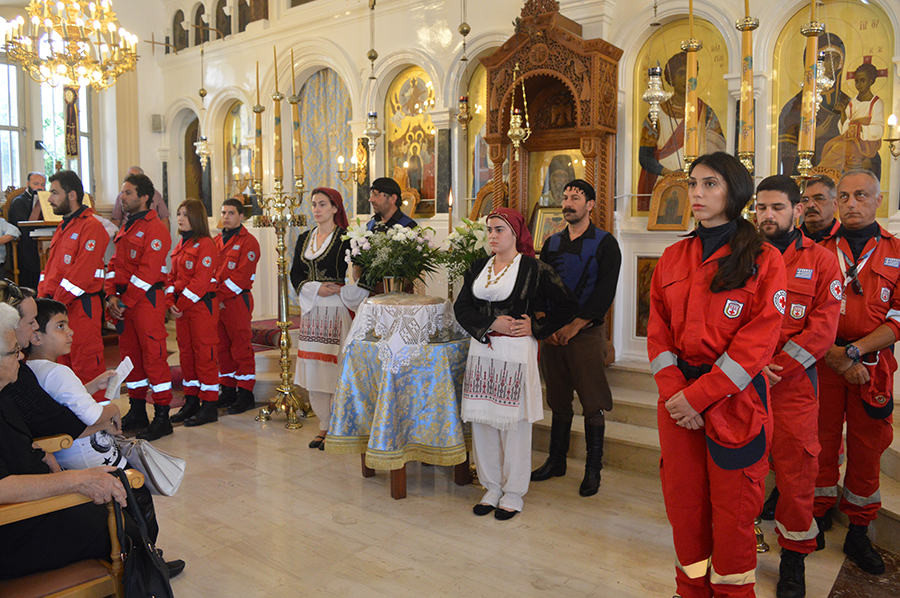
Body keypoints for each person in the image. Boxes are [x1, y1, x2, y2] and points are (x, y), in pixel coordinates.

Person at [648, 152, 787, 598]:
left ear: (735, 191)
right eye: (692, 183)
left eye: (709, 184)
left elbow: (756, 344)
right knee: (685, 512)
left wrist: (698, 397)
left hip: (735, 405)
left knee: (734, 518)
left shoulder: (764, 258)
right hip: (678, 407)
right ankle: (689, 591)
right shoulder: (672, 257)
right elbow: (658, 336)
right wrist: (677, 395)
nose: (696, 193)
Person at [454, 208, 577, 520]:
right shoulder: (478, 267)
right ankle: (492, 487)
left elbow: (567, 304)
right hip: (483, 350)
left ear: (515, 234)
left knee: (514, 424)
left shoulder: (534, 269)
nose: (492, 236)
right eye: (490, 230)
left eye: (499, 230)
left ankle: (513, 492)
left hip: (515, 352)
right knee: (483, 421)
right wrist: (491, 323)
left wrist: (536, 327)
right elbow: (462, 307)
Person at [755, 175, 842, 598]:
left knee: (796, 476)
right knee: (744, 469)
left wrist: (779, 366)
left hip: (793, 386)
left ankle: (793, 558)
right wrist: (752, 365)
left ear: (797, 210)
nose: (768, 215)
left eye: (777, 207)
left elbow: (824, 327)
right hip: (745, 382)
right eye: (761, 207)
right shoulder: (744, 255)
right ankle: (739, 543)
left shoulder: (822, 261)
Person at [815, 169, 898, 575]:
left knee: (867, 449)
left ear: (878, 200)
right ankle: (817, 514)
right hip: (823, 361)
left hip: (872, 367)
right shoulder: (817, 250)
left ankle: (859, 532)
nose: (851, 204)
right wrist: (834, 355)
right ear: (835, 203)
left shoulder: (897, 251)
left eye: (861, 196)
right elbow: (806, 311)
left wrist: (853, 353)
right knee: (819, 442)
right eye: (844, 197)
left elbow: (898, 318)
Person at [531, 179, 621, 497]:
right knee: (558, 401)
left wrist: (574, 326)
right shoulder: (552, 243)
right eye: (565, 197)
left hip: (585, 334)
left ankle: (592, 470)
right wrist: (546, 325)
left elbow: (605, 292)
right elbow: (540, 286)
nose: (568, 203)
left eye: (576, 198)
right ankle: (556, 461)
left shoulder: (606, 244)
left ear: (590, 204)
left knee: (592, 403)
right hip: (554, 335)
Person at [290, 188, 367, 449]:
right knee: (314, 370)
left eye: (323, 204)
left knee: (335, 368)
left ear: (335, 208)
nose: (317, 209)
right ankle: (323, 424)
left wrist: (343, 290)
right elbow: (295, 274)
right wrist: (315, 288)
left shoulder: (347, 238)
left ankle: (338, 424)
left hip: (336, 309)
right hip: (312, 310)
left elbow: (362, 273)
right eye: (314, 204)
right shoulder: (304, 238)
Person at [107, 173, 173, 441]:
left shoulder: (155, 228)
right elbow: (114, 264)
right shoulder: (127, 226)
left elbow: (147, 272)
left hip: (145, 301)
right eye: (122, 192)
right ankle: (137, 411)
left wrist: (124, 301)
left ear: (145, 197)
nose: (122, 197)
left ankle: (162, 417)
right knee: (130, 359)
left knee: (154, 357)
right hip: (125, 302)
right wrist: (111, 295)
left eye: (128, 193)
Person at [38, 170, 110, 400]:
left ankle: (99, 419)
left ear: (71, 195)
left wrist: (54, 304)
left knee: (87, 367)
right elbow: (51, 270)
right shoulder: (64, 226)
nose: (50, 199)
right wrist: (41, 301)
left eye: (54, 193)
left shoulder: (91, 227)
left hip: (81, 308)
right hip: (59, 310)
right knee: (64, 369)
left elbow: (81, 274)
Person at [637, 52, 726, 206]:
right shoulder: (656, 114)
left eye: (691, 74)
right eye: (681, 73)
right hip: (665, 186)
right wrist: (669, 173)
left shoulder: (705, 113)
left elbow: (719, 151)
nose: (687, 79)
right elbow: (645, 156)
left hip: (700, 187)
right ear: (671, 78)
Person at [166, 200, 220, 427]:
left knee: (204, 355)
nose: (180, 218)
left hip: (200, 307)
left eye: (185, 215)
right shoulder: (182, 243)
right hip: (183, 309)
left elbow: (200, 281)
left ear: (196, 217)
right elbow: (172, 278)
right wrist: (170, 300)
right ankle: (191, 401)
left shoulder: (206, 244)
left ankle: (209, 405)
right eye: (179, 214)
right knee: (187, 356)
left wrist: (180, 304)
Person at [778, 32, 850, 176]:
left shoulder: (846, 101)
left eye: (836, 59)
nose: (832, 64)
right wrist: (813, 135)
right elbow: (785, 143)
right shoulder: (796, 104)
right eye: (826, 58)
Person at [214, 197, 260, 415]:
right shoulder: (215, 241)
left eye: (231, 213)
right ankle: (228, 389)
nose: (226, 217)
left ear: (241, 216)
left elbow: (240, 277)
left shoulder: (249, 242)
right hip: (217, 302)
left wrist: (217, 295)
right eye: (223, 213)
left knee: (241, 347)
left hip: (236, 301)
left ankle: (245, 393)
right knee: (222, 348)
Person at [819, 63, 885, 174]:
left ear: (871, 81)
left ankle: (824, 174)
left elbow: (879, 129)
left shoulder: (876, 103)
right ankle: (828, 174)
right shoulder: (852, 103)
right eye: (857, 81)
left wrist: (860, 128)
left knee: (838, 147)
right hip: (851, 139)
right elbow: (845, 128)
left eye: (862, 81)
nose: (859, 84)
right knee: (829, 145)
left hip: (866, 143)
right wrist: (842, 112)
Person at [7, 171, 46, 289]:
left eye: (43, 185)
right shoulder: (19, 202)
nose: (40, 187)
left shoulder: (48, 201)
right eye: (36, 184)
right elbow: (21, 226)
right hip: (26, 241)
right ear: (28, 184)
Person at [110, 166, 170, 231]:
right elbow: (116, 219)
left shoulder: (155, 195)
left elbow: (164, 217)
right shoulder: (126, 225)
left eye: (128, 193)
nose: (122, 197)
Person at [799, 175, 840, 243]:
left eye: (819, 198)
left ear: (835, 204)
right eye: (805, 200)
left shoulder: (848, 239)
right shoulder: (790, 240)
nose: (810, 205)